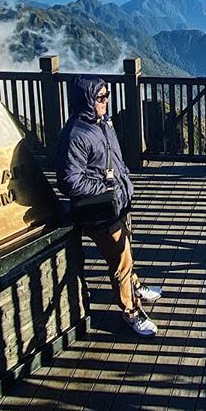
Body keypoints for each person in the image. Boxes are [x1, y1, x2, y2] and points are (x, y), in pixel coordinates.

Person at [55, 75, 161, 336]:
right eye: (100, 97)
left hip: (118, 203)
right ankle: (131, 311)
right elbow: (69, 181)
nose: (105, 101)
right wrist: (106, 189)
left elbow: (114, 159)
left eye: (106, 96)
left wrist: (122, 182)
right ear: (86, 100)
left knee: (126, 253)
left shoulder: (101, 123)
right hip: (99, 211)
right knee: (120, 261)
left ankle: (135, 286)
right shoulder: (75, 135)